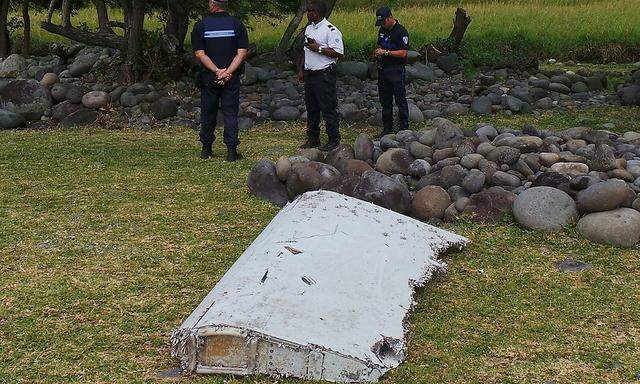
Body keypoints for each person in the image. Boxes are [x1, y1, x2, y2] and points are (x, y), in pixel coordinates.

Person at [191, 0, 248, 161]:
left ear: (212, 4)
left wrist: (216, 71)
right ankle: (231, 151)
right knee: (230, 113)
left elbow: (199, 54)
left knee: (208, 112)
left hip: (209, 77)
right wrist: (228, 72)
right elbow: (242, 53)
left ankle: (206, 149)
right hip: (231, 77)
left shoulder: (201, 26)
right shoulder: (237, 25)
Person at [298, 1, 344, 151]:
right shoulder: (309, 28)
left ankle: (333, 139)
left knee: (328, 108)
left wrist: (319, 48)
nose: (307, 13)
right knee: (311, 108)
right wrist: (301, 69)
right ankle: (313, 138)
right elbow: (305, 51)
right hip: (310, 73)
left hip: (324, 74)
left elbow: (339, 53)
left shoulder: (330, 30)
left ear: (317, 12)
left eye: (310, 11)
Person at [373, 6, 409, 138]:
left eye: (383, 22)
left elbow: (404, 53)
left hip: (396, 70)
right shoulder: (382, 30)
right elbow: (380, 45)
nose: (382, 25)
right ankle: (387, 128)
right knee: (385, 101)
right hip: (383, 70)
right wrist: (378, 52)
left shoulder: (401, 31)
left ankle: (404, 128)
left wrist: (387, 52)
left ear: (390, 18)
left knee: (400, 100)